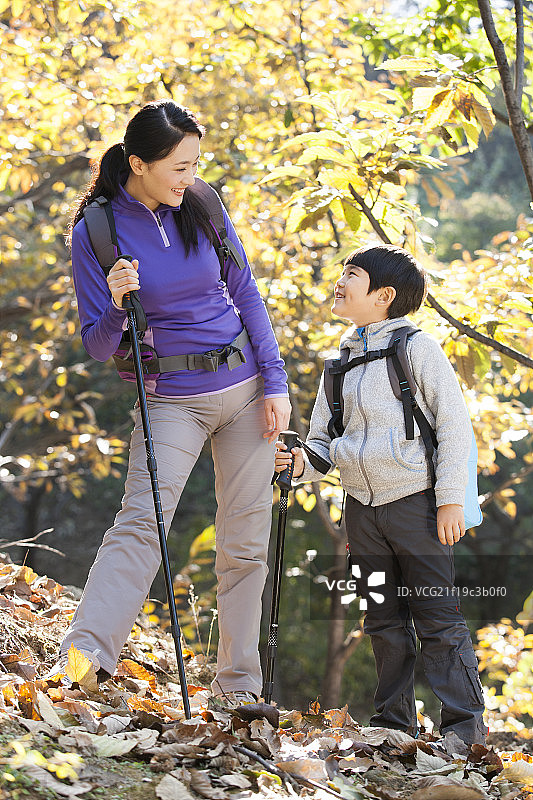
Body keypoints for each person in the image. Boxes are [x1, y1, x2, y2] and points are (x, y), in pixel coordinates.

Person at [52, 100, 291, 706]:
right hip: (170, 401)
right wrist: (114, 301)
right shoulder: (97, 232)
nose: (190, 177)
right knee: (141, 526)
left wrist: (276, 381)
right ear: (138, 164)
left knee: (244, 546)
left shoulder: (203, 204)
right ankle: (82, 665)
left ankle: (239, 688)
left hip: (244, 394)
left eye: (194, 164)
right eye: (179, 167)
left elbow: (247, 293)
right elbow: (99, 345)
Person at [275, 245, 487, 745]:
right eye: (342, 272)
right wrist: (302, 463)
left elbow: (455, 425)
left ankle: (465, 734)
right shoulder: (339, 362)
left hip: (418, 504)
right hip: (360, 512)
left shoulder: (418, 348)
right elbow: (325, 442)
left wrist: (451, 499)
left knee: (438, 619)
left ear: (384, 295)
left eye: (353, 275)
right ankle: (394, 727)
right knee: (381, 620)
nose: (340, 281)